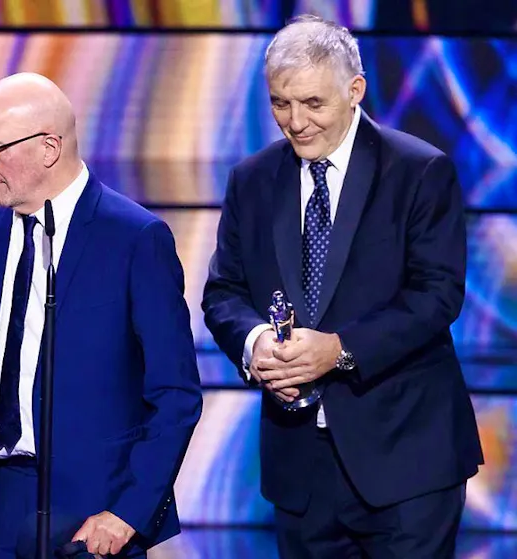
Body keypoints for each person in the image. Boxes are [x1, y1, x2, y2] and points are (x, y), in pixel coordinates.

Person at [0, 73, 203, 558]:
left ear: (49, 147)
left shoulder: (134, 238)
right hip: (6, 493)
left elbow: (176, 394)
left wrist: (128, 514)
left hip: (98, 506)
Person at [201, 15, 483, 558]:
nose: (295, 122)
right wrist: (258, 343)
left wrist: (339, 350)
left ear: (355, 91)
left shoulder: (419, 172)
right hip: (301, 468)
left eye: (312, 103)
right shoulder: (252, 181)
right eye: (280, 103)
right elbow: (224, 292)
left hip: (406, 461)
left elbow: (436, 295)